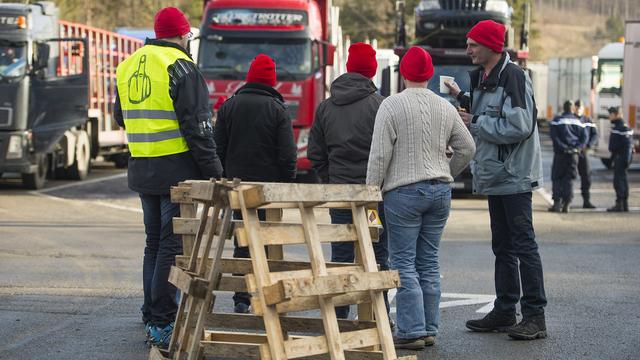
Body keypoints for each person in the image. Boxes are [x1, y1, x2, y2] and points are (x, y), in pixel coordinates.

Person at [114, 7, 223, 348]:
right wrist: (216, 173)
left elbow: (119, 116)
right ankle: (161, 320)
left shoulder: (128, 64)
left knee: (154, 244)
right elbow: (199, 128)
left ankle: (151, 313)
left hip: (142, 165)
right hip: (176, 170)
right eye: (188, 36)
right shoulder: (181, 67)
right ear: (181, 35)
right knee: (171, 246)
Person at [367, 46, 475, 350]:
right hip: (440, 191)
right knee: (428, 261)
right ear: (430, 74)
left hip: (403, 192)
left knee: (403, 261)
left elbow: (379, 157)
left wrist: (370, 193)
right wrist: (446, 169)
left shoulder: (391, 106)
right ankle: (429, 329)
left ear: (403, 73)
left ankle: (411, 331)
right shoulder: (444, 107)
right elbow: (467, 147)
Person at [445, 20, 547, 340]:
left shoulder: (514, 77)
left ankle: (535, 317)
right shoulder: (486, 76)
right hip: (497, 175)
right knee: (503, 246)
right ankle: (505, 310)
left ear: (492, 45)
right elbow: (492, 109)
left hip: (514, 175)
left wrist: (474, 121)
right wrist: (462, 95)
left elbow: (519, 126)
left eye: (473, 44)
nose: (468, 50)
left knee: (523, 245)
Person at [308, 42, 390, 320]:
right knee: (375, 251)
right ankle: (378, 315)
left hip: (340, 194)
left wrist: (332, 180)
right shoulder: (381, 106)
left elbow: (315, 153)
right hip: (371, 197)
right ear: (372, 69)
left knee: (341, 254)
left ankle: (338, 316)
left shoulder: (326, 107)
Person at [215, 53, 297, 313]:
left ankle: (241, 298)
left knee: (243, 241)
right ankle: (267, 297)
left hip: (237, 187)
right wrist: (287, 181)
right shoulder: (278, 109)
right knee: (269, 242)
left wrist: (225, 178)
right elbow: (287, 153)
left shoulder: (229, 106)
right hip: (268, 189)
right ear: (271, 81)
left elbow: (218, 148)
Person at [548, 100, 588, 213]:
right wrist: (577, 148)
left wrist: (563, 147)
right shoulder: (579, 122)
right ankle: (567, 203)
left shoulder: (557, 121)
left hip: (560, 154)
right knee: (569, 178)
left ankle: (556, 203)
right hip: (574, 155)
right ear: (572, 109)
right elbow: (584, 138)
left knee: (557, 178)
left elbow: (554, 137)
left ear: (563, 108)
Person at [606, 107, 633, 212]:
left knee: (619, 181)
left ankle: (620, 204)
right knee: (623, 180)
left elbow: (621, 146)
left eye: (611, 114)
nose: (609, 116)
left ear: (616, 114)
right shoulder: (622, 127)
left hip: (620, 157)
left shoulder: (620, 128)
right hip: (623, 157)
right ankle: (624, 204)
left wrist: (623, 159)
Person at [574, 99, 598, 208]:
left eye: (580, 107)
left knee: (586, 177)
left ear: (583, 108)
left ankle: (586, 201)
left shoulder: (588, 120)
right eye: (577, 107)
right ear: (574, 107)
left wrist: (588, 146)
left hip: (583, 153)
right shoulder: (571, 119)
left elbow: (594, 135)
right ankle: (563, 201)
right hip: (573, 153)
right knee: (568, 177)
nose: (579, 109)